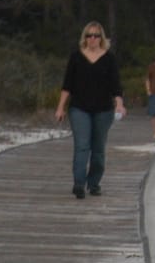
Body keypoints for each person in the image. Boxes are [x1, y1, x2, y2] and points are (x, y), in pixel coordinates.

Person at [54, 22, 126, 199]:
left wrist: (119, 103)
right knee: (82, 146)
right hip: (79, 109)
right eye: (89, 35)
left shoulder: (109, 58)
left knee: (98, 148)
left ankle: (94, 183)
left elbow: (115, 85)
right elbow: (67, 85)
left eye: (96, 35)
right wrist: (60, 107)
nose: (92, 39)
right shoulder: (76, 57)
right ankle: (79, 183)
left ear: (101, 38)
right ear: (84, 37)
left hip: (103, 110)